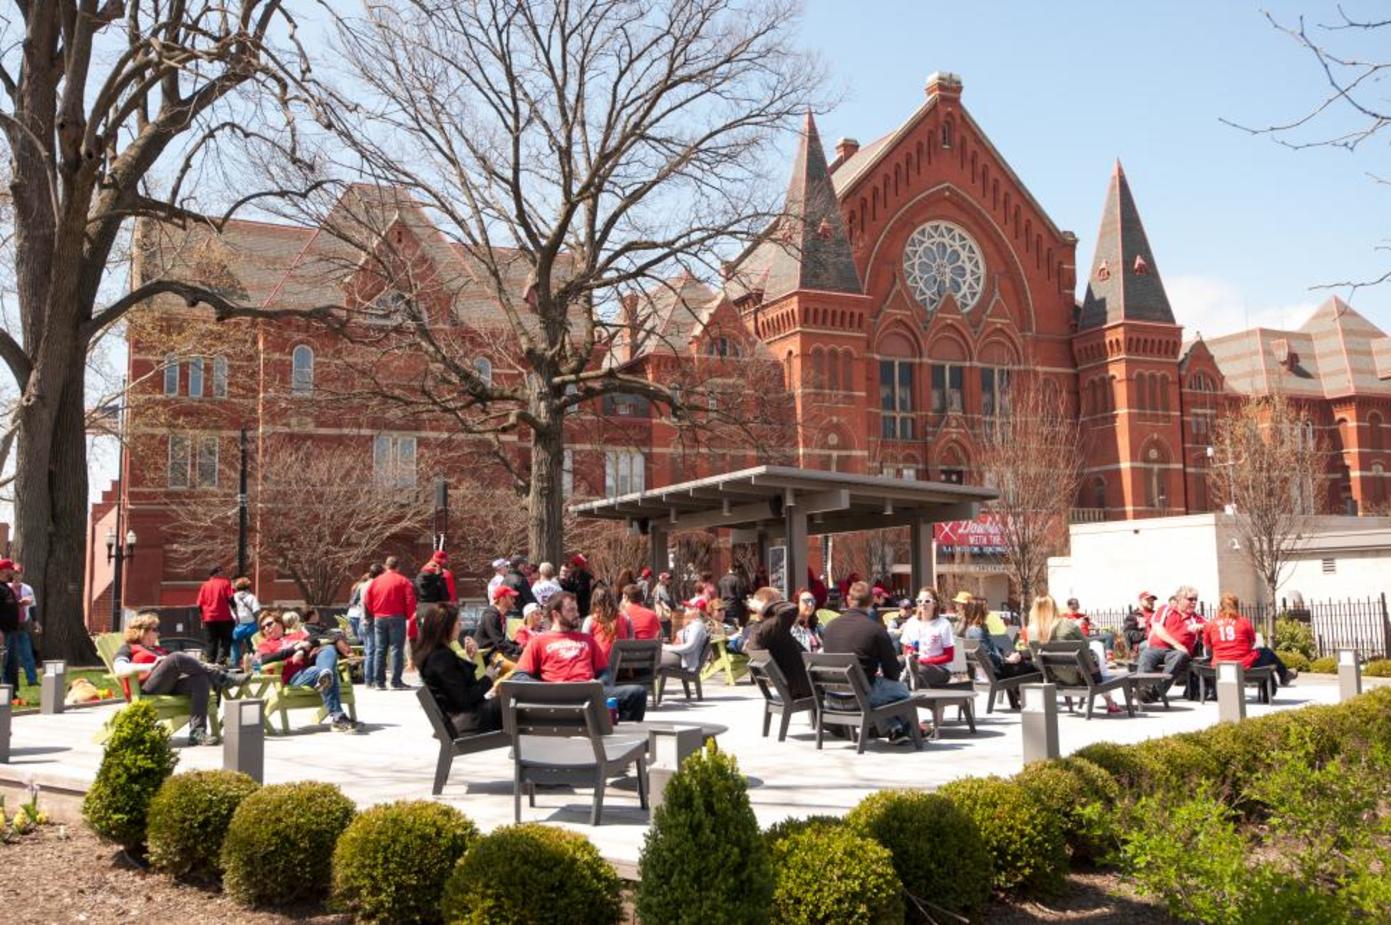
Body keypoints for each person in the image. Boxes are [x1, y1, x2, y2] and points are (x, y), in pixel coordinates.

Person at [113, 612, 248, 745]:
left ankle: (197, 733)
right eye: (155, 630)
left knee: (200, 679)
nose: (158, 634)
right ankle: (224, 679)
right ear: (141, 631)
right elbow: (119, 668)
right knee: (176, 657)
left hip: (168, 686)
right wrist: (150, 666)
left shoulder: (158, 650)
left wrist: (208, 666)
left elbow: (182, 664)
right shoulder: (128, 648)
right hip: (146, 689)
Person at [512, 591, 647, 722]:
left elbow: (605, 672)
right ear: (556, 614)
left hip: (588, 692)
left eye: (576, 609)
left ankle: (618, 739)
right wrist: (549, 689)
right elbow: (520, 676)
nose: (577, 614)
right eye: (571, 610)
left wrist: (599, 683)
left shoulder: (587, 639)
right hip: (557, 696)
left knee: (637, 693)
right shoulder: (539, 641)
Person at [822, 581, 917, 741]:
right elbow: (893, 672)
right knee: (900, 691)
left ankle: (895, 728)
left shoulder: (829, 627)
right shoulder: (875, 630)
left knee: (876, 687)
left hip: (831, 698)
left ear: (848, 599)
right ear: (872, 602)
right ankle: (911, 731)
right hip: (860, 698)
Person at [255, 612, 359, 732]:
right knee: (323, 672)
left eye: (269, 624)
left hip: (311, 667)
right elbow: (263, 659)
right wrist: (293, 649)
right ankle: (338, 716)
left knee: (328, 649)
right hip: (294, 677)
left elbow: (314, 640)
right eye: (263, 628)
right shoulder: (266, 645)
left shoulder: (296, 635)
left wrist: (302, 651)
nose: (266, 628)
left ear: (279, 623)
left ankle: (325, 677)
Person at [415, 603, 503, 736]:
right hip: (463, 722)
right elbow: (464, 699)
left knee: (509, 704)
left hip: (459, 718)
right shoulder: (441, 657)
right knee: (513, 706)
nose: (461, 626)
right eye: (458, 622)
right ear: (446, 627)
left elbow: (457, 686)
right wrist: (489, 677)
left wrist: (470, 659)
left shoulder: (434, 653)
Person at [1028, 595, 1124, 714]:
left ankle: (1109, 700)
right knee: (1096, 646)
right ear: (1054, 607)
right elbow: (1086, 645)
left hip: (1054, 678)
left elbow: (1035, 659)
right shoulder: (1067, 624)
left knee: (1094, 648)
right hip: (1081, 678)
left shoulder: (1031, 630)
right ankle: (1109, 701)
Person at [1204, 593, 1298, 686]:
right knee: (1267, 652)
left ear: (1220, 607)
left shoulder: (1211, 624)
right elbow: (1252, 643)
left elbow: (1208, 648)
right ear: (1236, 606)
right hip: (1243, 664)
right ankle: (1284, 675)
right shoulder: (1244, 622)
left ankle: (1283, 676)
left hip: (1220, 665)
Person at [960, 598, 1033, 707]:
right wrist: (1007, 659)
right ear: (979, 611)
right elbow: (987, 655)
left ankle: (1017, 698)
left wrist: (1009, 655)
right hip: (996, 672)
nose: (988, 612)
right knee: (1034, 667)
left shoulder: (971, 630)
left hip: (990, 670)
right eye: (985, 609)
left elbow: (991, 650)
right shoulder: (977, 631)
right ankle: (1035, 702)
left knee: (1022, 661)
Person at [746, 587, 813, 701]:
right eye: (778, 601)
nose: (781, 604)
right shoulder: (772, 626)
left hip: (795, 685)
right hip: (805, 687)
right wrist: (763, 607)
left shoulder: (758, 628)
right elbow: (791, 609)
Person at [1136, 584, 1200, 702]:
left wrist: (1201, 627)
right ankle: (1143, 690)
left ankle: (1156, 692)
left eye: (1196, 599)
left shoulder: (1196, 618)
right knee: (1146, 654)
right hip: (1156, 648)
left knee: (1181, 656)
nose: (1194, 602)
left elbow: (1212, 626)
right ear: (1179, 599)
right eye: (1190, 599)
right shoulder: (1165, 609)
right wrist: (1176, 644)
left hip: (1176, 653)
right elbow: (1157, 627)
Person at [363, 555, 416, 691]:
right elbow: (410, 600)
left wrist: (374, 612)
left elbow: (367, 599)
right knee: (396, 649)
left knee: (380, 650)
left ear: (386, 566)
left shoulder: (376, 581)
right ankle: (396, 681)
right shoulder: (403, 581)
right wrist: (409, 616)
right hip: (397, 617)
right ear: (398, 567)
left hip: (379, 618)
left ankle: (379, 682)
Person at [900, 586, 957, 688]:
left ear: (934, 604)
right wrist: (910, 653)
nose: (923, 604)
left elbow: (949, 656)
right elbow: (906, 648)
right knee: (895, 663)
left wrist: (924, 661)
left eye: (927, 601)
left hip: (939, 668)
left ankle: (909, 689)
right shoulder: (912, 622)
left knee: (916, 671)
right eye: (920, 601)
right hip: (915, 663)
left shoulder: (943, 624)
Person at [581, 585, 633, 663]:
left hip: (601, 664)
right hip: (623, 663)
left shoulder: (590, 620)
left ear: (594, 601)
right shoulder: (625, 617)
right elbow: (632, 638)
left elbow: (585, 644)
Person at [196, 564, 236, 665]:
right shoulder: (225, 583)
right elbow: (231, 598)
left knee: (211, 642)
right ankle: (220, 662)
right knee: (226, 640)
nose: (222, 574)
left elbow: (199, 604)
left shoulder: (205, 585)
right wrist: (236, 611)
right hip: (224, 617)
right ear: (218, 572)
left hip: (209, 619)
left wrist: (202, 618)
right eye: (221, 572)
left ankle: (210, 663)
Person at [346, 564, 382, 675]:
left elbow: (352, 602)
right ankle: (373, 677)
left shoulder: (361, 585)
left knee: (368, 648)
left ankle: (368, 677)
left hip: (361, 618)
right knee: (372, 649)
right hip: (369, 618)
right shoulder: (374, 585)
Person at [8, 564, 38, 687]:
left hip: (22, 625)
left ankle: (32, 680)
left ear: (22, 574)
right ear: (11, 574)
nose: (17, 576)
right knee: (8, 655)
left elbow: (32, 607)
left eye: (19, 573)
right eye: (15, 573)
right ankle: (8, 682)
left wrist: (36, 622)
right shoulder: (6, 587)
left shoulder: (28, 589)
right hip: (8, 626)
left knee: (27, 653)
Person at [477, 585, 524, 662]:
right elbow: (499, 642)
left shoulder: (501, 616)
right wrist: (519, 649)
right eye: (511, 597)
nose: (514, 600)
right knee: (517, 668)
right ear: (502, 599)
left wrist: (520, 645)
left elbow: (502, 641)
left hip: (494, 654)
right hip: (485, 658)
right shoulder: (491, 616)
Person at [663, 604, 709, 670]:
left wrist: (666, 647)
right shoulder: (693, 625)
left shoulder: (697, 626)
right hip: (681, 657)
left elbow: (689, 647)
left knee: (654, 658)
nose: (686, 609)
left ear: (697, 610)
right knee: (655, 656)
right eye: (686, 607)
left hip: (683, 660)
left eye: (689, 608)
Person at [230, 576, 261, 669]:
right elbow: (256, 611)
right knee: (254, 647)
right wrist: (258, 623)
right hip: (251, 625)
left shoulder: (232, 598)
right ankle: (256, 666)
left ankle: (234, 666)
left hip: (238, 626)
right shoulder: (251, 597)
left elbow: (230, 610)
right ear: (248, 586)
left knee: (235, 646)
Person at [0, 559, 21, 689]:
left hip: (12, 630)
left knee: (12, 663)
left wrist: (20, 603)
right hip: (3, 632)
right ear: (3, 570)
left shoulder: (6, 587)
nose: (13, 572)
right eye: (10, 569)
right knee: (3, 662)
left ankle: (11, 693)